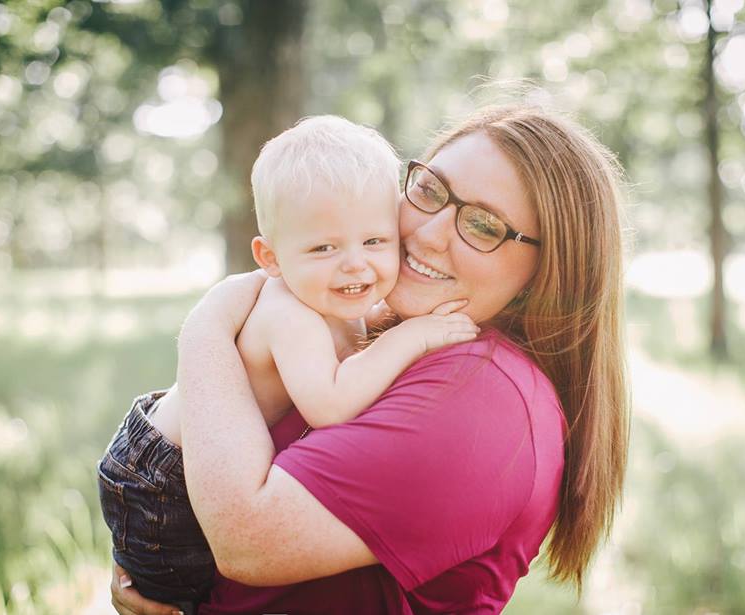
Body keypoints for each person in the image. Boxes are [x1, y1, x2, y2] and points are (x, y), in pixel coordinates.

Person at [110, 102, 629, 615]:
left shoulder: (486, 402)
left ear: (551, 268)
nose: (426, 232)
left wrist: (206, 326)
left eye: (484, 225)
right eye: (430, 190)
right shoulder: (395, 326)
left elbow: (245, 539)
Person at [97, 116, 479, 612]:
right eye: (324, 247)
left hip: (172, 455)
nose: (355, 265)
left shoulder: (330, 295)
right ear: (271, 257)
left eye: (374, 242)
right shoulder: (289, 314)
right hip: (161, 477)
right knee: (176, 603)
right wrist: (414, 336)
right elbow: (331, 403)